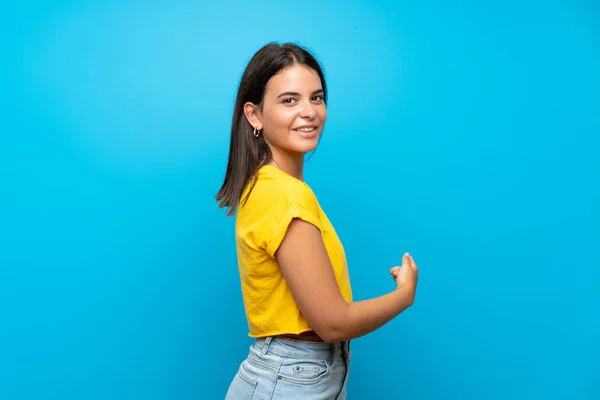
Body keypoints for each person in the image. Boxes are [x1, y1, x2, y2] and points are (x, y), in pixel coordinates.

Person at [216, 42, 419, 399]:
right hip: (290, 380)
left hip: (294, 375)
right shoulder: (286, 196)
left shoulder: (265, 187)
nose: (309, 112)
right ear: (254, 115)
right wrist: (403, 295)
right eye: (289, 100)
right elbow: (332, 322)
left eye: (317, 98)